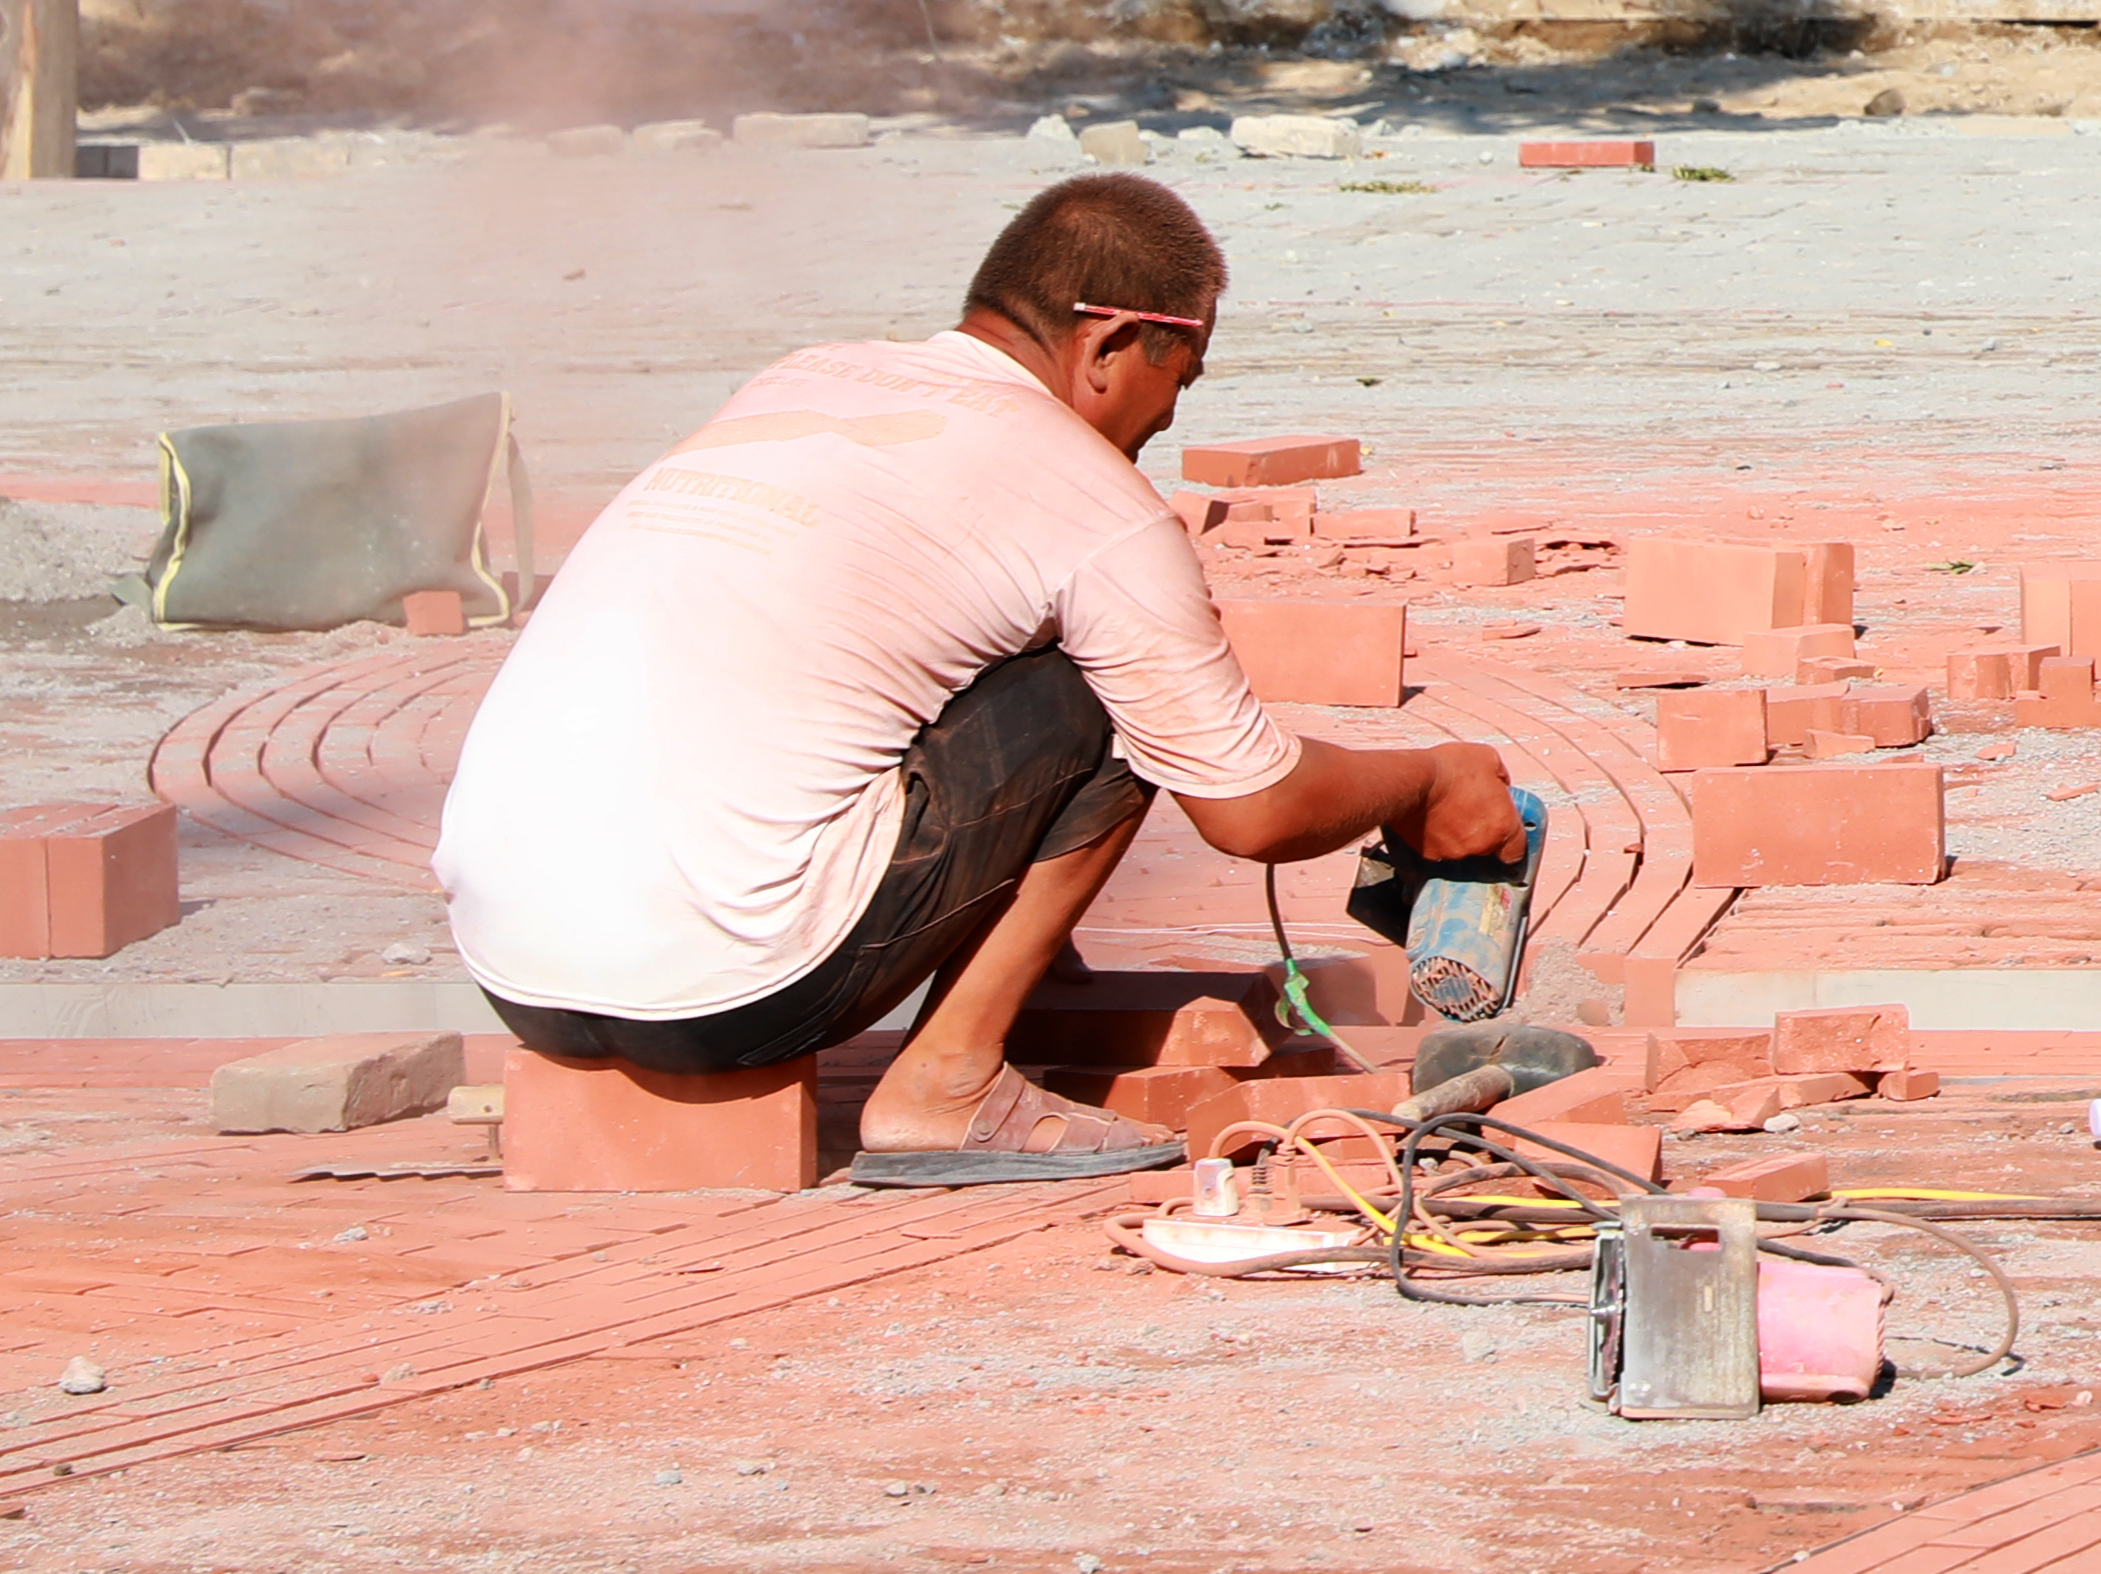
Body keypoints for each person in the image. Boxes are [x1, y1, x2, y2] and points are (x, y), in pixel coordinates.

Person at [434, 174, 1526, 1181]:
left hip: (514, 975)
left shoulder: (803, 378)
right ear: (1113, 342)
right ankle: (947, 1084)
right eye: (1175, 377)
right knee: (1116, 695)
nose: (1169, 416)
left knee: (945, 657)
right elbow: (1251, 810)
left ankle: (1029, 1001)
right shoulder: (1088, 495)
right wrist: (1426, 782)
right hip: (734, 995)